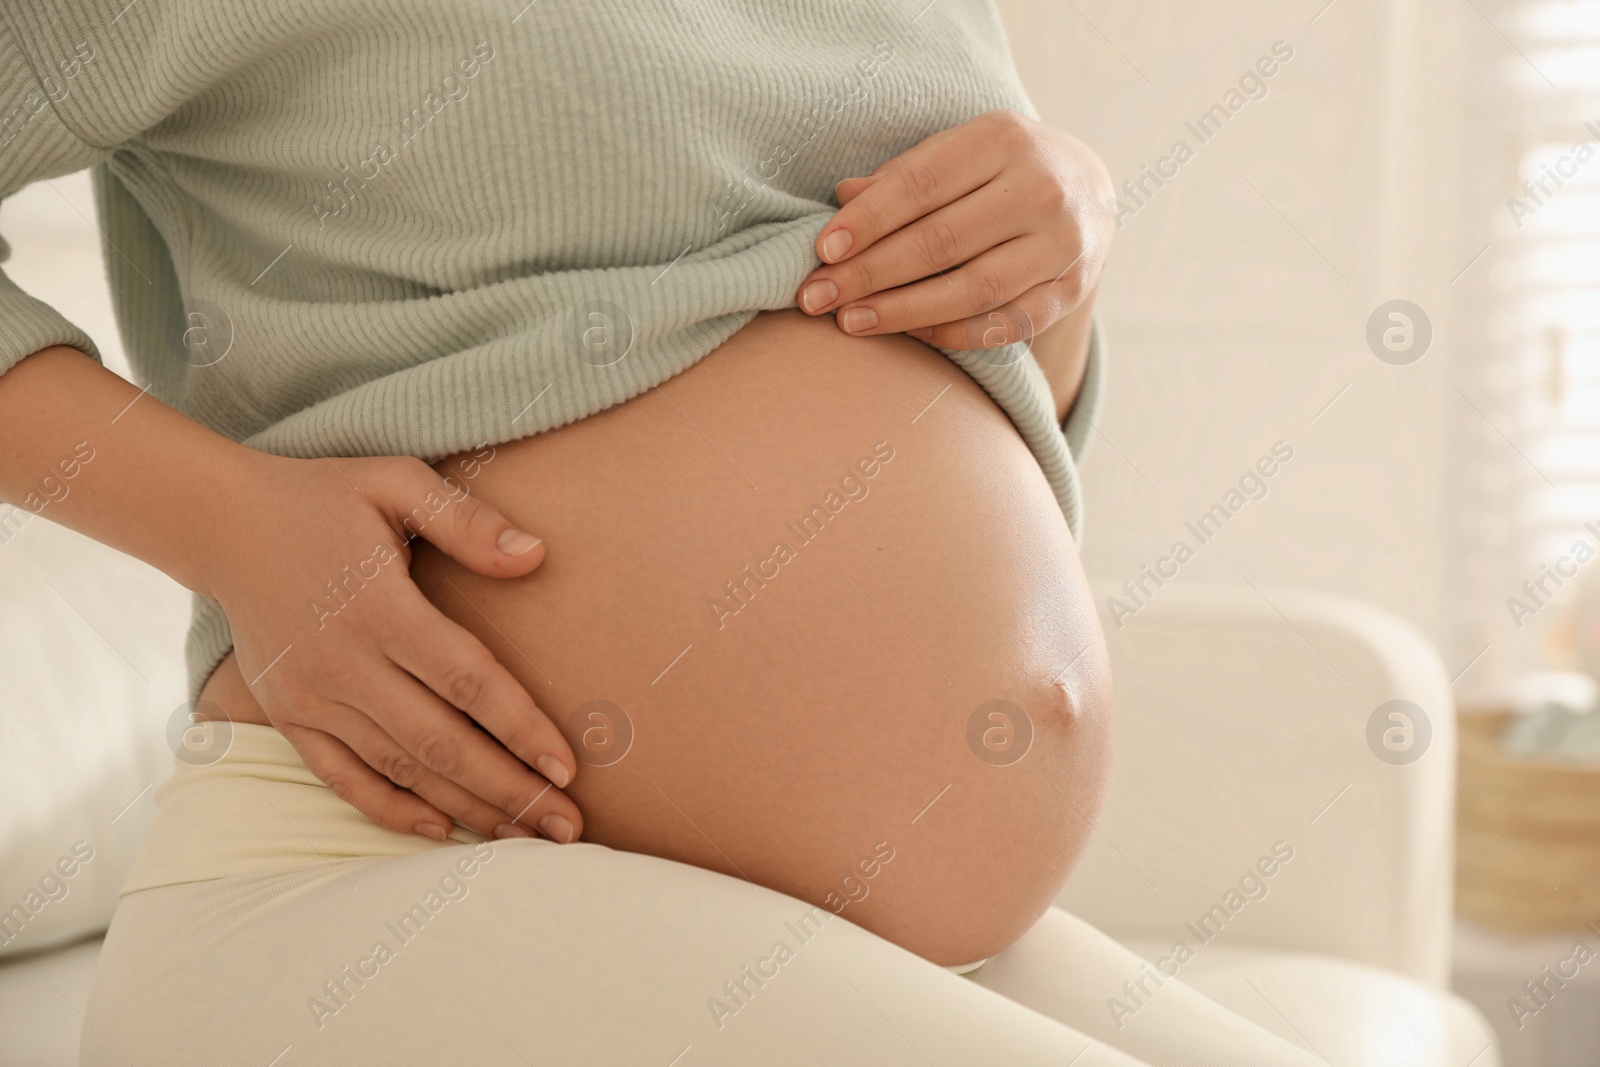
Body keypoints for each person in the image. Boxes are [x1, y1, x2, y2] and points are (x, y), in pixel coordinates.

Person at [0, 1, 1324, 1062]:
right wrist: (232, 523)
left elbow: (966, 392)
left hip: (788, 916)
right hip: (371, 881)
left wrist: (1060, 250)